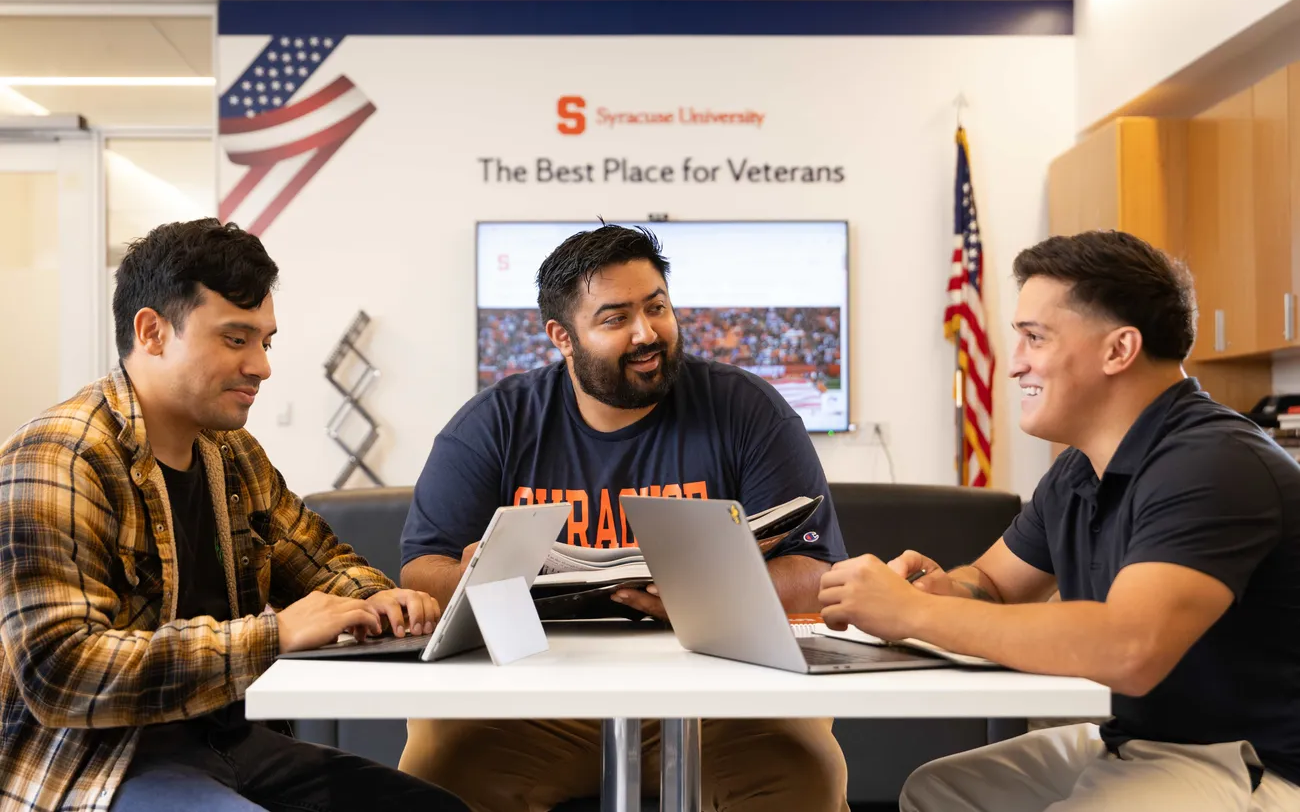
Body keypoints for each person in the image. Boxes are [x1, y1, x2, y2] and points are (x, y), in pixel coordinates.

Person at [818, 230, 1300, 811]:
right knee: (938, 790)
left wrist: (914, 611)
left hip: (1251, 764)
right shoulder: (1079, 470)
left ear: (1118, 350)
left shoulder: (1214, 465)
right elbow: (994, 585)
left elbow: (1129, 650)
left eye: (1034, 338)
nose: (1014, 364)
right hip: (1144, 743)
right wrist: (944, 588)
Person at [0, 219, 468, 812]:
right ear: (152, 332)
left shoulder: (230, 452)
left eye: (264, 342)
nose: (262, 366)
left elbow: (321, 561)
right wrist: (275, 635)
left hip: (228, 741)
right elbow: (60, 672)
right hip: (95, 765)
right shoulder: (60, 457)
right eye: (235, 339)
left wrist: (377, 600)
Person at [399, 224, 851, 812]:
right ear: (563, 336)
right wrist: (475, 581)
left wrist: (708, 594)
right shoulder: (493, 423)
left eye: (657, 307)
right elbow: (420, 571)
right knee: (437, 770)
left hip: (724, 695)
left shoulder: (747, 409)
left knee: (804, 777)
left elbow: (816, 572)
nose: (647, 333)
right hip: (538, 699)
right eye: (616, 319)